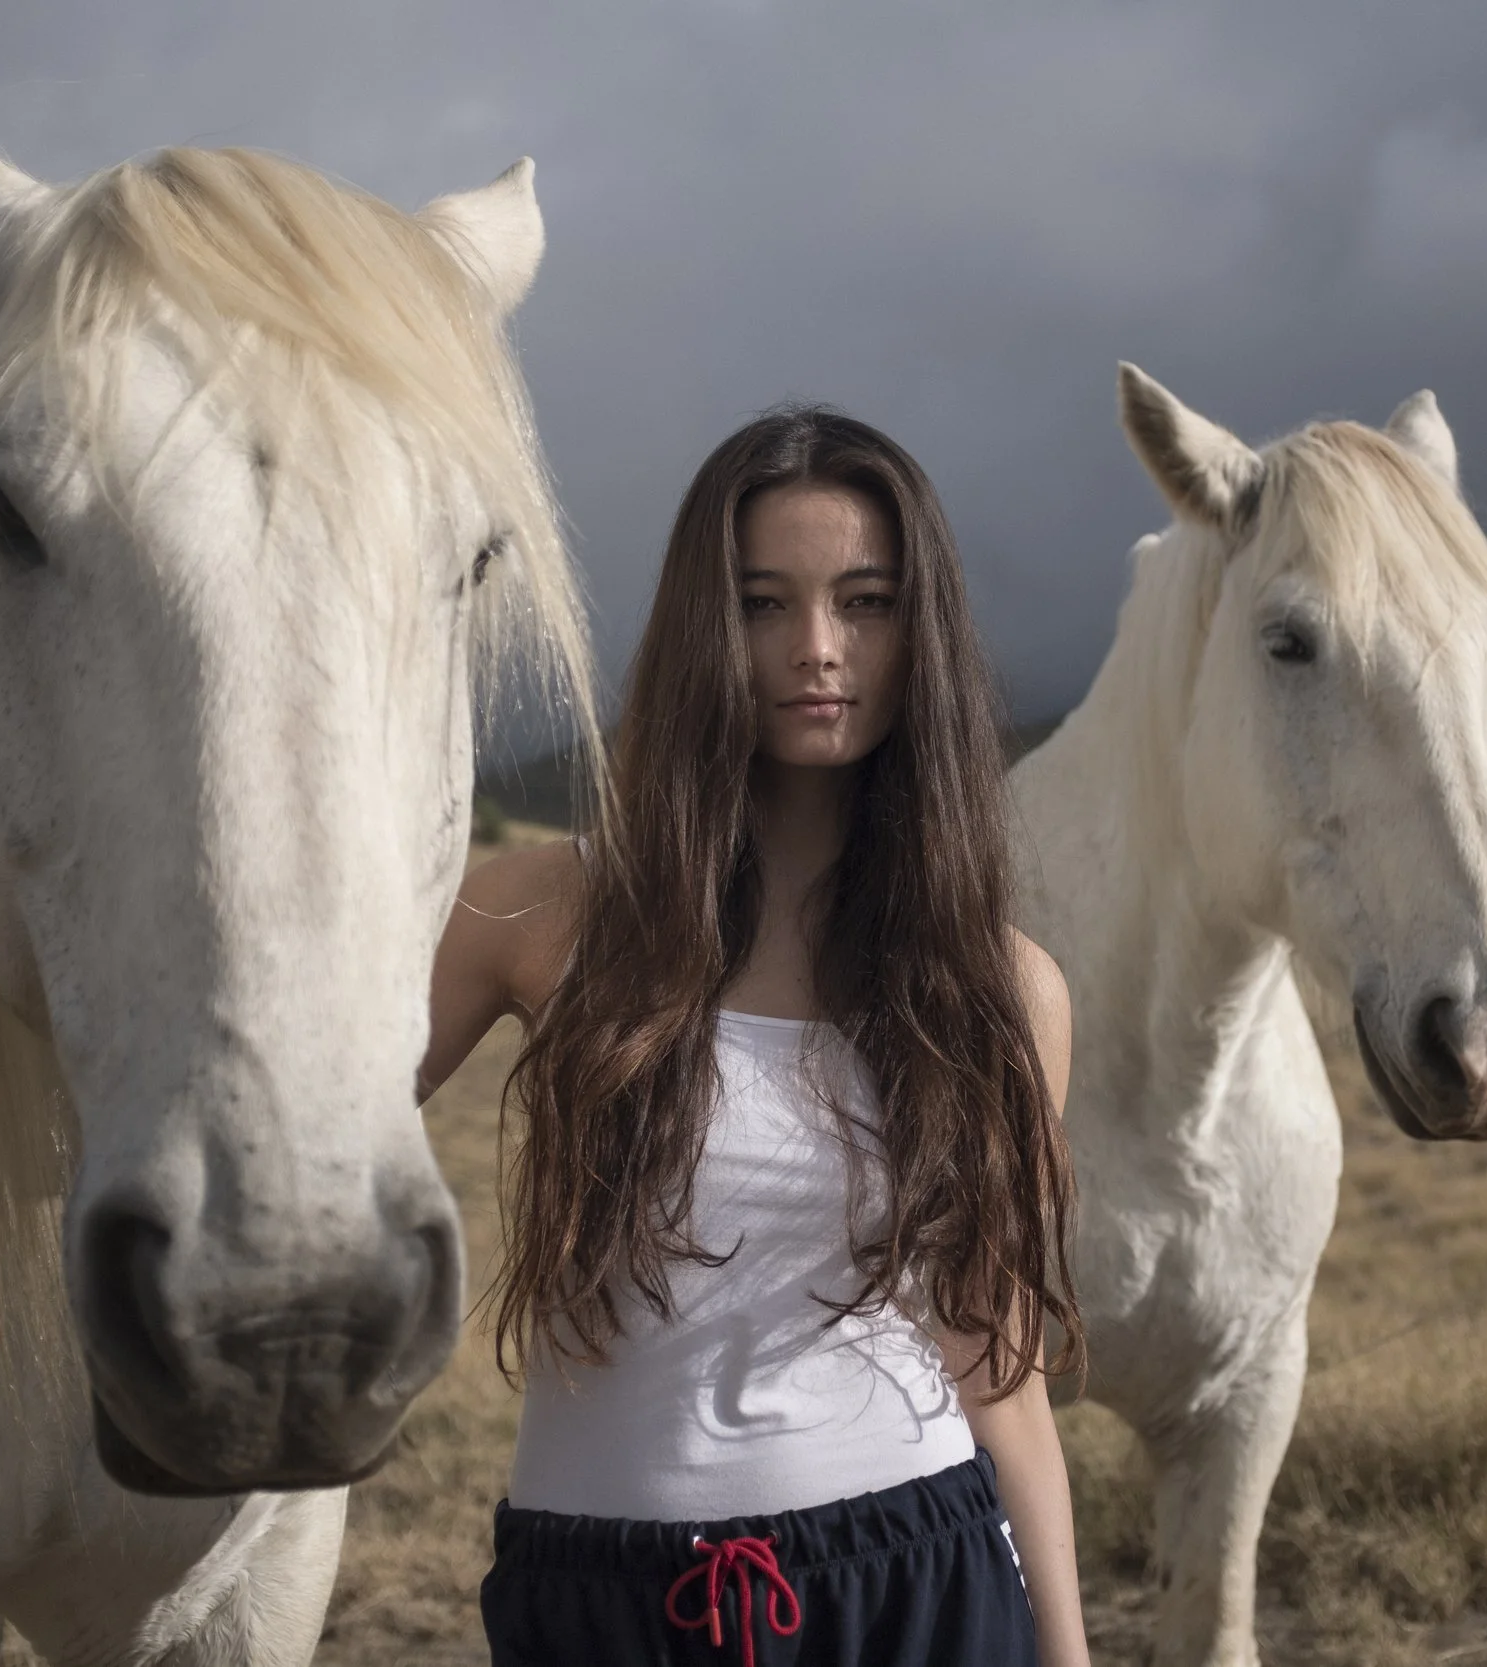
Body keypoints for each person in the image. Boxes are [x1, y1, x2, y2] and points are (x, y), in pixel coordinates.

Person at [419, 406, 1091, 1667]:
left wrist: (1068, 1657)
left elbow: (997, 1372)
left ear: (921, 630)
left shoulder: (1002, 988)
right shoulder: (537, 910)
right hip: (605, 1601)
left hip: (916, 1582)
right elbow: (289, 1119)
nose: (817, 648)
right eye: (763, 602)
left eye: (866, 601)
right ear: (700, 626)